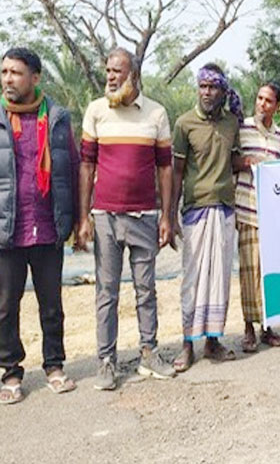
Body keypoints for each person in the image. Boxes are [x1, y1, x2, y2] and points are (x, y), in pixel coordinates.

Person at [77, 48, 176, 390]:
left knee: (146, 289)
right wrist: (84, 218)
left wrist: (166, 216)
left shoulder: (156, 114)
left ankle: (149, 353)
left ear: (134, 74)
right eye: (107, 70)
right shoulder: (96, 111)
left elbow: (166, 167)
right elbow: (86, 166)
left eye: (118, 71)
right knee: (107, 292)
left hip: (145, 215)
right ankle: (107, 362)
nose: (110, 76)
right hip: (105, 216)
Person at [0, 47, 79, 404]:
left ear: (35, 78)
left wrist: (79, 220)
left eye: (15, 73)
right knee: (5, 306)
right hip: (8, 229)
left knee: (51, 303)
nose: (8, 79)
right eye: (4, 73)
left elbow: (73, 172)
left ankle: (54, 366)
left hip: (47, 227)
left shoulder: (58, 119)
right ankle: (11, 372)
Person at [171, 63, 241, 372]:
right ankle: (188, 344)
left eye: (213, 87)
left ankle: (212, 342)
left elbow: (234, 160)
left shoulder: (231, 124)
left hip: (224, 207)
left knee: (220, 280)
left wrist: (254, 162)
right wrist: (169, 215)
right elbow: (176, 171)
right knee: (193, 279)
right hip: (196, 210)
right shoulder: (185, 123)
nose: (207, 92)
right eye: (202, 87)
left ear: (223, 91)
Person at [233, 82, 280, 353]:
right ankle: (248, 328)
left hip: (271, 214)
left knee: (267, 271)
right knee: (248, 271)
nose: (262, 104)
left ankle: (267, 327)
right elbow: (230, 162)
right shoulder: (243, 129)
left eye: (268, 101)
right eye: (260, 98)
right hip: (247, 207)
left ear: (276, 106)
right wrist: (246, 162)